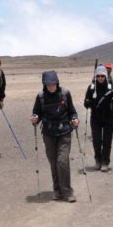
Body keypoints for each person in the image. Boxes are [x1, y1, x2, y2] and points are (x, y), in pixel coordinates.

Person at [31, 71, 79, 202]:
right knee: (53, 163)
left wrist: (75, 119)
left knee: (62, 162)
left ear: (57, 83)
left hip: (64, 132)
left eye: (53, 84)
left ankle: (67, 192)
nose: (51, 87)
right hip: (48, 133)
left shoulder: (65, 93)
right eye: (48, 85)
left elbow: (72, 111)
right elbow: (36, 113)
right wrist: (35, 118)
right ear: (44, 85)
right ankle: (57, 191)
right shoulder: (41, 97)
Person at [84, 65, 113, 171]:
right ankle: (98, 160)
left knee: (107, 141)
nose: (100, 78)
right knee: (97, 140)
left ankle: (105, 162)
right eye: (98, 76)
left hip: (109, 117)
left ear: (105, 76)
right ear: (96, 76)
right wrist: (88, 103)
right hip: (96, 118)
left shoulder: (110, 87)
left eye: (102, 76)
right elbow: (86, 102)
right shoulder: (91, 88)